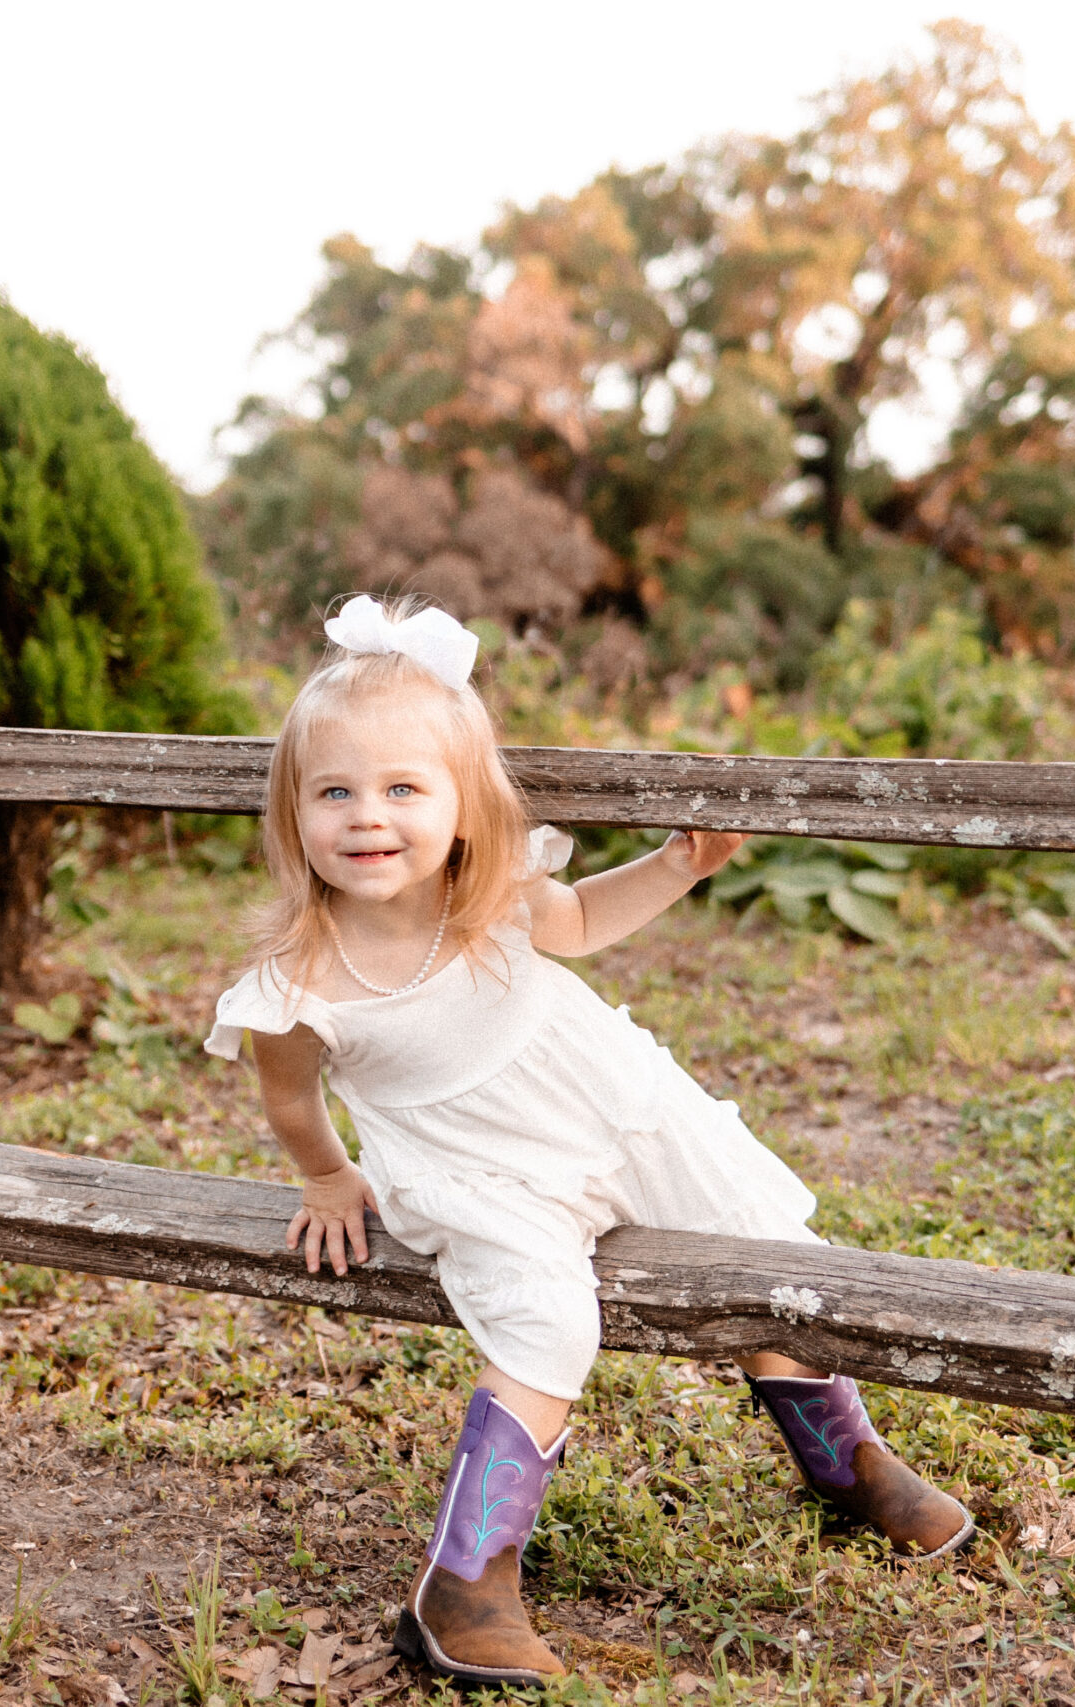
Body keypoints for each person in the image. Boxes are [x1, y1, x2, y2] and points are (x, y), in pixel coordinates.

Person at [205, 595, 973, 1688]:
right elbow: (288, 1100)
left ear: (463, 809)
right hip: (476, 1169)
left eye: (402, 789)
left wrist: (678, 868)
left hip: (610, 1106)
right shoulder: (296, 985)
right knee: (545, 1318)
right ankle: (466, 1584)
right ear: (293, 815)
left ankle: (843, 1459)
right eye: (334, 792)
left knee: (759, 1239)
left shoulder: (495, 901)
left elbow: (579, 925)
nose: (367, 817)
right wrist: (327, 1174)